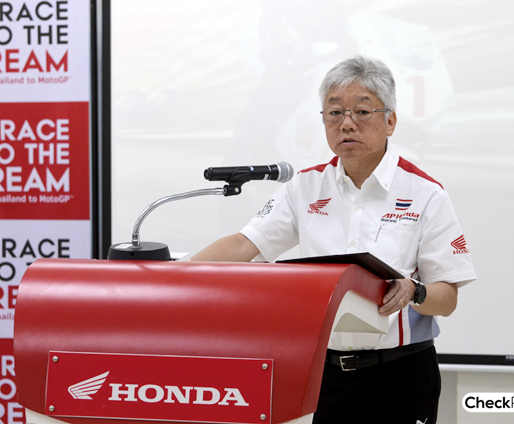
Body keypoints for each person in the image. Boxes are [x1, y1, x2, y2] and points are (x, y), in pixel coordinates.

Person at [192, 55, 476, 424]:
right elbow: (245, 245)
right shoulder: (306, 187)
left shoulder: (425, 193)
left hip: (401, 374)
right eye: (335, 113)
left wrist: (414, 291)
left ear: (390, 121)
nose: (347, 123)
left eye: (362, 112)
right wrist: (173, 275)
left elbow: (447, 299)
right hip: (327, 374)